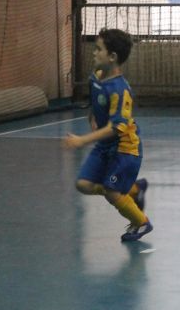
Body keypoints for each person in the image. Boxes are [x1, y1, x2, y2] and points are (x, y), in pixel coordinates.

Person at [62, 28, 152, 243]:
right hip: (105, 146)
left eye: (98, 49)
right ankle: (133, 189)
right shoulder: (97, 76)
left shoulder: (120, 90)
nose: (94, 53)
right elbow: (96, 99)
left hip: (125, 149)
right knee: (83, 184)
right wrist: (92, 116)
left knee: (112, 193)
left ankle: (142, 222)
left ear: (112, 57)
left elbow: (115, 127)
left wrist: (82, 140)